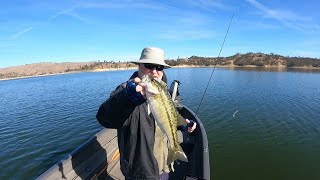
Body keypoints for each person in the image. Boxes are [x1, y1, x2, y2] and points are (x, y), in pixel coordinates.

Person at [96, 47, 197, 180]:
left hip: (163, 163)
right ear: (139, 66)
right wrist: (127, 99)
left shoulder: (164, 91)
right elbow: (105, 119)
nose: (154, 72)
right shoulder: (125, 91)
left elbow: (166, 117)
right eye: (149, 66)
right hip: (140, 172)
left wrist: (183, 124)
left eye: (159, 67)